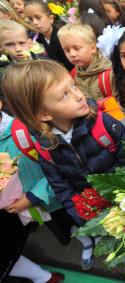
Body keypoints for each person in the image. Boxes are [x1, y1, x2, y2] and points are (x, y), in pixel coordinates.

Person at [2, 60, 125, 269]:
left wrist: (121, 198)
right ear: (44, 114)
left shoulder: (105, 125)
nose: (79, 95)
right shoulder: (46, 147)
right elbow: (61, 187)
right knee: (120, 248)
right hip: (100, 215)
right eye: (64, 95)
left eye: (73, 85)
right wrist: (82, 215)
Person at [0, 96, 64, 283]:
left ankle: (87, 241)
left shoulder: (24, 128)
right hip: (26, 206)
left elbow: (58, 166)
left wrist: (33, 196)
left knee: (72, 222)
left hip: (54, 196)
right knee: (57, 228)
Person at [58, 23, 114, 101]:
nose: (72, 54)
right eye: (67, 50)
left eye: (77, 48)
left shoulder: (109, 74)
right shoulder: (73, 74)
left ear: (93, 48)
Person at [24, 0, 73, 71]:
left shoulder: (63, 37)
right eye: (30, 19)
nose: (34, 22)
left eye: (38, 17)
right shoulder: (37, 39)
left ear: (50, 19)